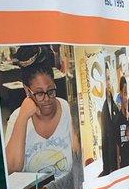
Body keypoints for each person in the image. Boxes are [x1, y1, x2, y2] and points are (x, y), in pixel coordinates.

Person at [4, 46, 78, 182]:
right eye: (39, 93)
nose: (47, 99)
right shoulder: (17, 117)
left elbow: (79, 158)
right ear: (27, 91)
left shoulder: (67, 109)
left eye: (51, 91)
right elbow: (11, 169)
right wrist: (23, 118)